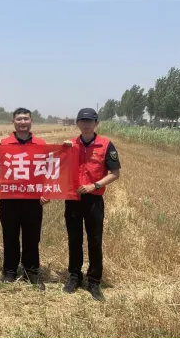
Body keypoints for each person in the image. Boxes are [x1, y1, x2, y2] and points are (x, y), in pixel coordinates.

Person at [63, 108, 121, 301]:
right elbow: (56, 167)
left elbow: (115, 173)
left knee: (94, 241)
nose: (86, 124)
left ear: (96, 123)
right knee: (74, 240)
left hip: (94, 199)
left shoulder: (106, 145)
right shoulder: (70, 145)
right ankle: (74, 276)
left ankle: (94, 281)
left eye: (90, 121)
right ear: (77, 123)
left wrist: (94, 185)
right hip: (73, 199)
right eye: (82, 120)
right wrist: (62, 150)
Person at [0, 108, 49, 291]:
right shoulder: (3, 144)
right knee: (10, 236)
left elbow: (48, 170)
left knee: (32, 237)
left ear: (31, 121)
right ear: (13, 121)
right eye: (19, 119)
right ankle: (10, 271)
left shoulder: (41, 144)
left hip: (33, 199)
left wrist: (47, 191)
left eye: (25, 119)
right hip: (9, 198)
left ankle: (31, 272)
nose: (22, 122)